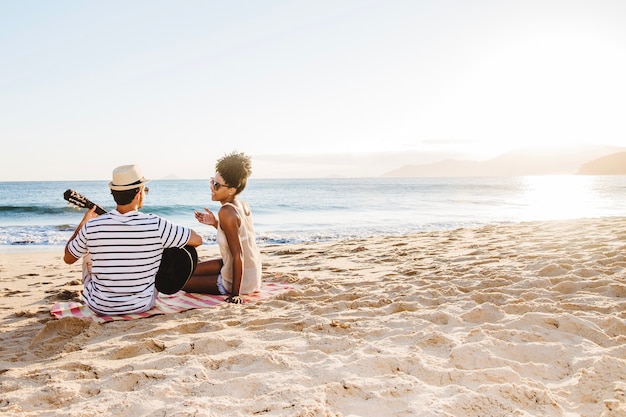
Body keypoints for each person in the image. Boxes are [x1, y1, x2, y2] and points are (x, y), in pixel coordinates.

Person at [64, 164, 203, 315]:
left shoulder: (92, 226)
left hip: (100, 306)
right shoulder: (156, 224)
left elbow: (68, 258)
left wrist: (83, 224)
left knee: (88, 254)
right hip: (141, 305)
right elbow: (197, 240)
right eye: (145, 190)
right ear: (138, 194)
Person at [183, 151, 262, 304]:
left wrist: (235, 294)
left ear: (231, 190)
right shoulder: (241, 205)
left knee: (181, 283)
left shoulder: (226, 211)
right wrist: (215, 223)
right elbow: (239, 236)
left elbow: (238, 253)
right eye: (212, 181)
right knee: (186, 271)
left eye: (217, 185)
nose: (212, 187)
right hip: (251, 272)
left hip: (241, 279)